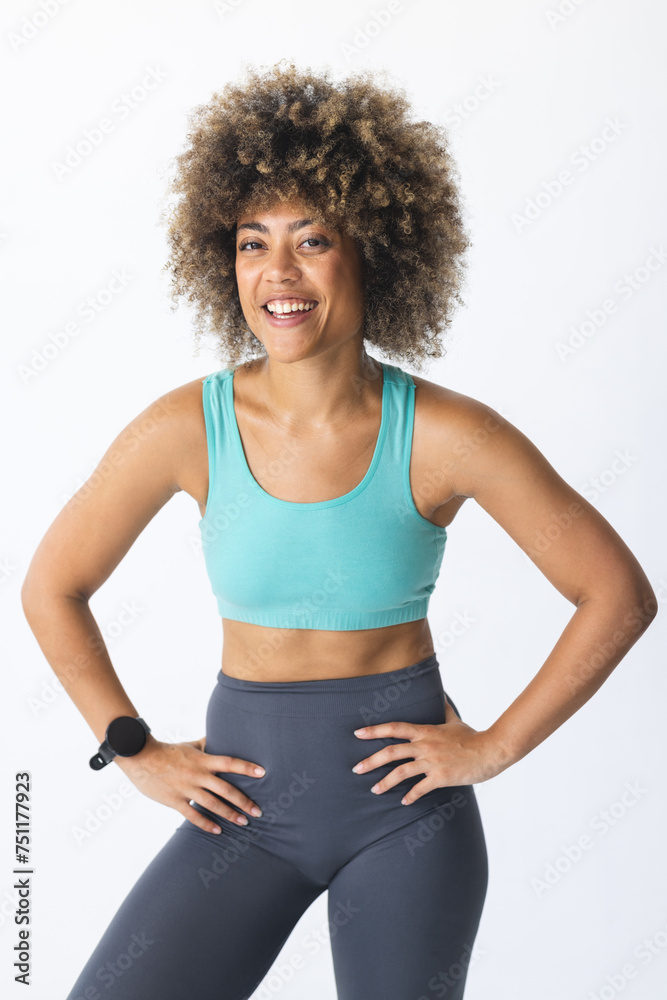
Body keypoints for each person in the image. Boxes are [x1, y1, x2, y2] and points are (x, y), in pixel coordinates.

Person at [21, 60, 657, 1000]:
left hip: (406, 820)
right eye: (251, 243)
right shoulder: (181, 429)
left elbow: (617, 594)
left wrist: (492, 747)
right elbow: (51, 586)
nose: (277, 273)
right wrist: (131, 746)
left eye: (311, 239)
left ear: (374, 250)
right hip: (241, 813)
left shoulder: (449, 435)